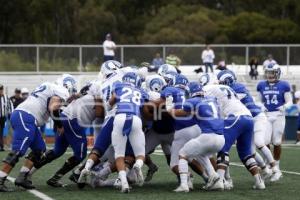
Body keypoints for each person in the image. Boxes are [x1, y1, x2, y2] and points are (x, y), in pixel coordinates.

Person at [0, 79, 70, 192]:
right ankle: (1, 178)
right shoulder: (59, 90)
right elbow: (53, 108)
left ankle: (22, 177)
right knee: (18, 150)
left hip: (28, 117)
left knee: (39, 148)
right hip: (25, 116)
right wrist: (59, 125)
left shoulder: (48, 86)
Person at [257, 64, 292, 179]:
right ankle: (269, 166)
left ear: (277, 73)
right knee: (265, 142)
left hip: (279, 115)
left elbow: (289, 101)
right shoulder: (261, 84)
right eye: (268, 72)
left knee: (276, 142)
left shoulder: (284, 85)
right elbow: (259, 101)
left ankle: (277, 168)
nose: (269, 75)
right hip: (266, 115)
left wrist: (284, 107)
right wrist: (261, 106)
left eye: (272, 72)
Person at [0, 84, 13, 152]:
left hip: (2, 117)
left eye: (1, 89)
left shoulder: (6, 97)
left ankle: (1, 146)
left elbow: (10, 106)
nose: (1, 91)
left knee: (1, 131)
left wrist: (11, 114)